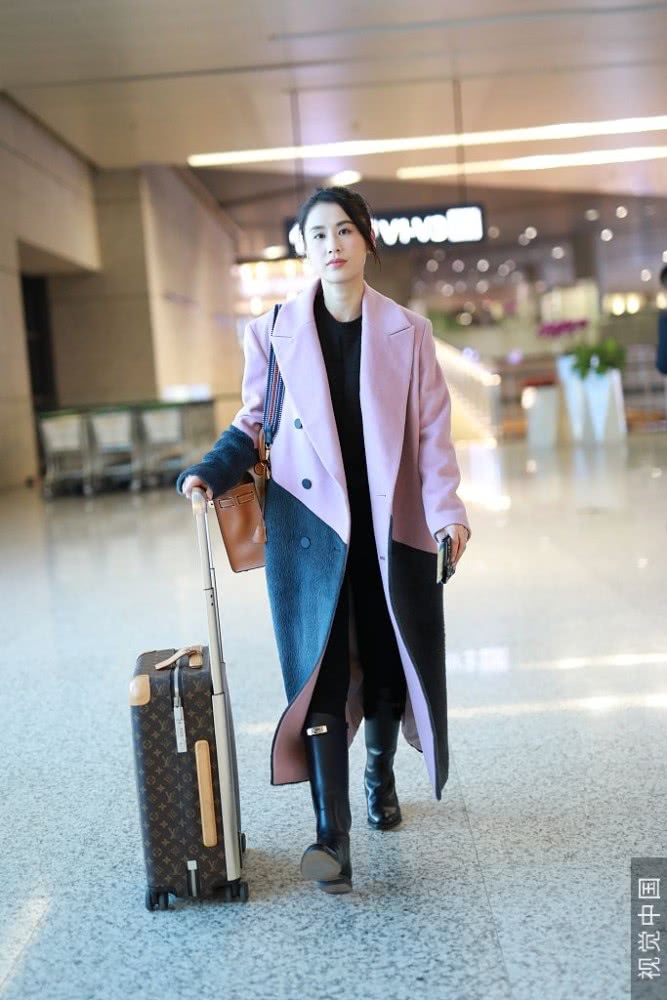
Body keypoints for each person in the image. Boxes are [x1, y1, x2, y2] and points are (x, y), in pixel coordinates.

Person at [177, 186, 471, 895]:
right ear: (303, 248)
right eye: (318, 234)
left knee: (387, 664)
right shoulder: (272, 330)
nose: (332, 245)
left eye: (344, 230)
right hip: (311, 531)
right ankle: (329, 835)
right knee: (321, 674)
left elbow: (432, 434)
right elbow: (254, 422)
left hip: (390, 526)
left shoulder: (408, 332)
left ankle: (378, 775)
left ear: (366, 240)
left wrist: (447, 513)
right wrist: (209, 470)